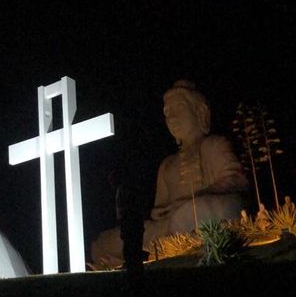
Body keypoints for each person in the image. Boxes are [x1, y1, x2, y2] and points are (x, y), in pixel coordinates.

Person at [91, 80, 249, 268]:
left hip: (202, 213)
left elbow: (238, 181)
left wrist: (193, 200)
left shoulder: (214, 144)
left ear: (200, 112)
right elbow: (158, 210)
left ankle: (145, 254)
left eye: (179, 109)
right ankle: (131, 257)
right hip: (169, 226)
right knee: (103, 241)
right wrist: (166, 212)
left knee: (198, 211)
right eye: (167, 113)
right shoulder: (167, 164)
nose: (172, 118)